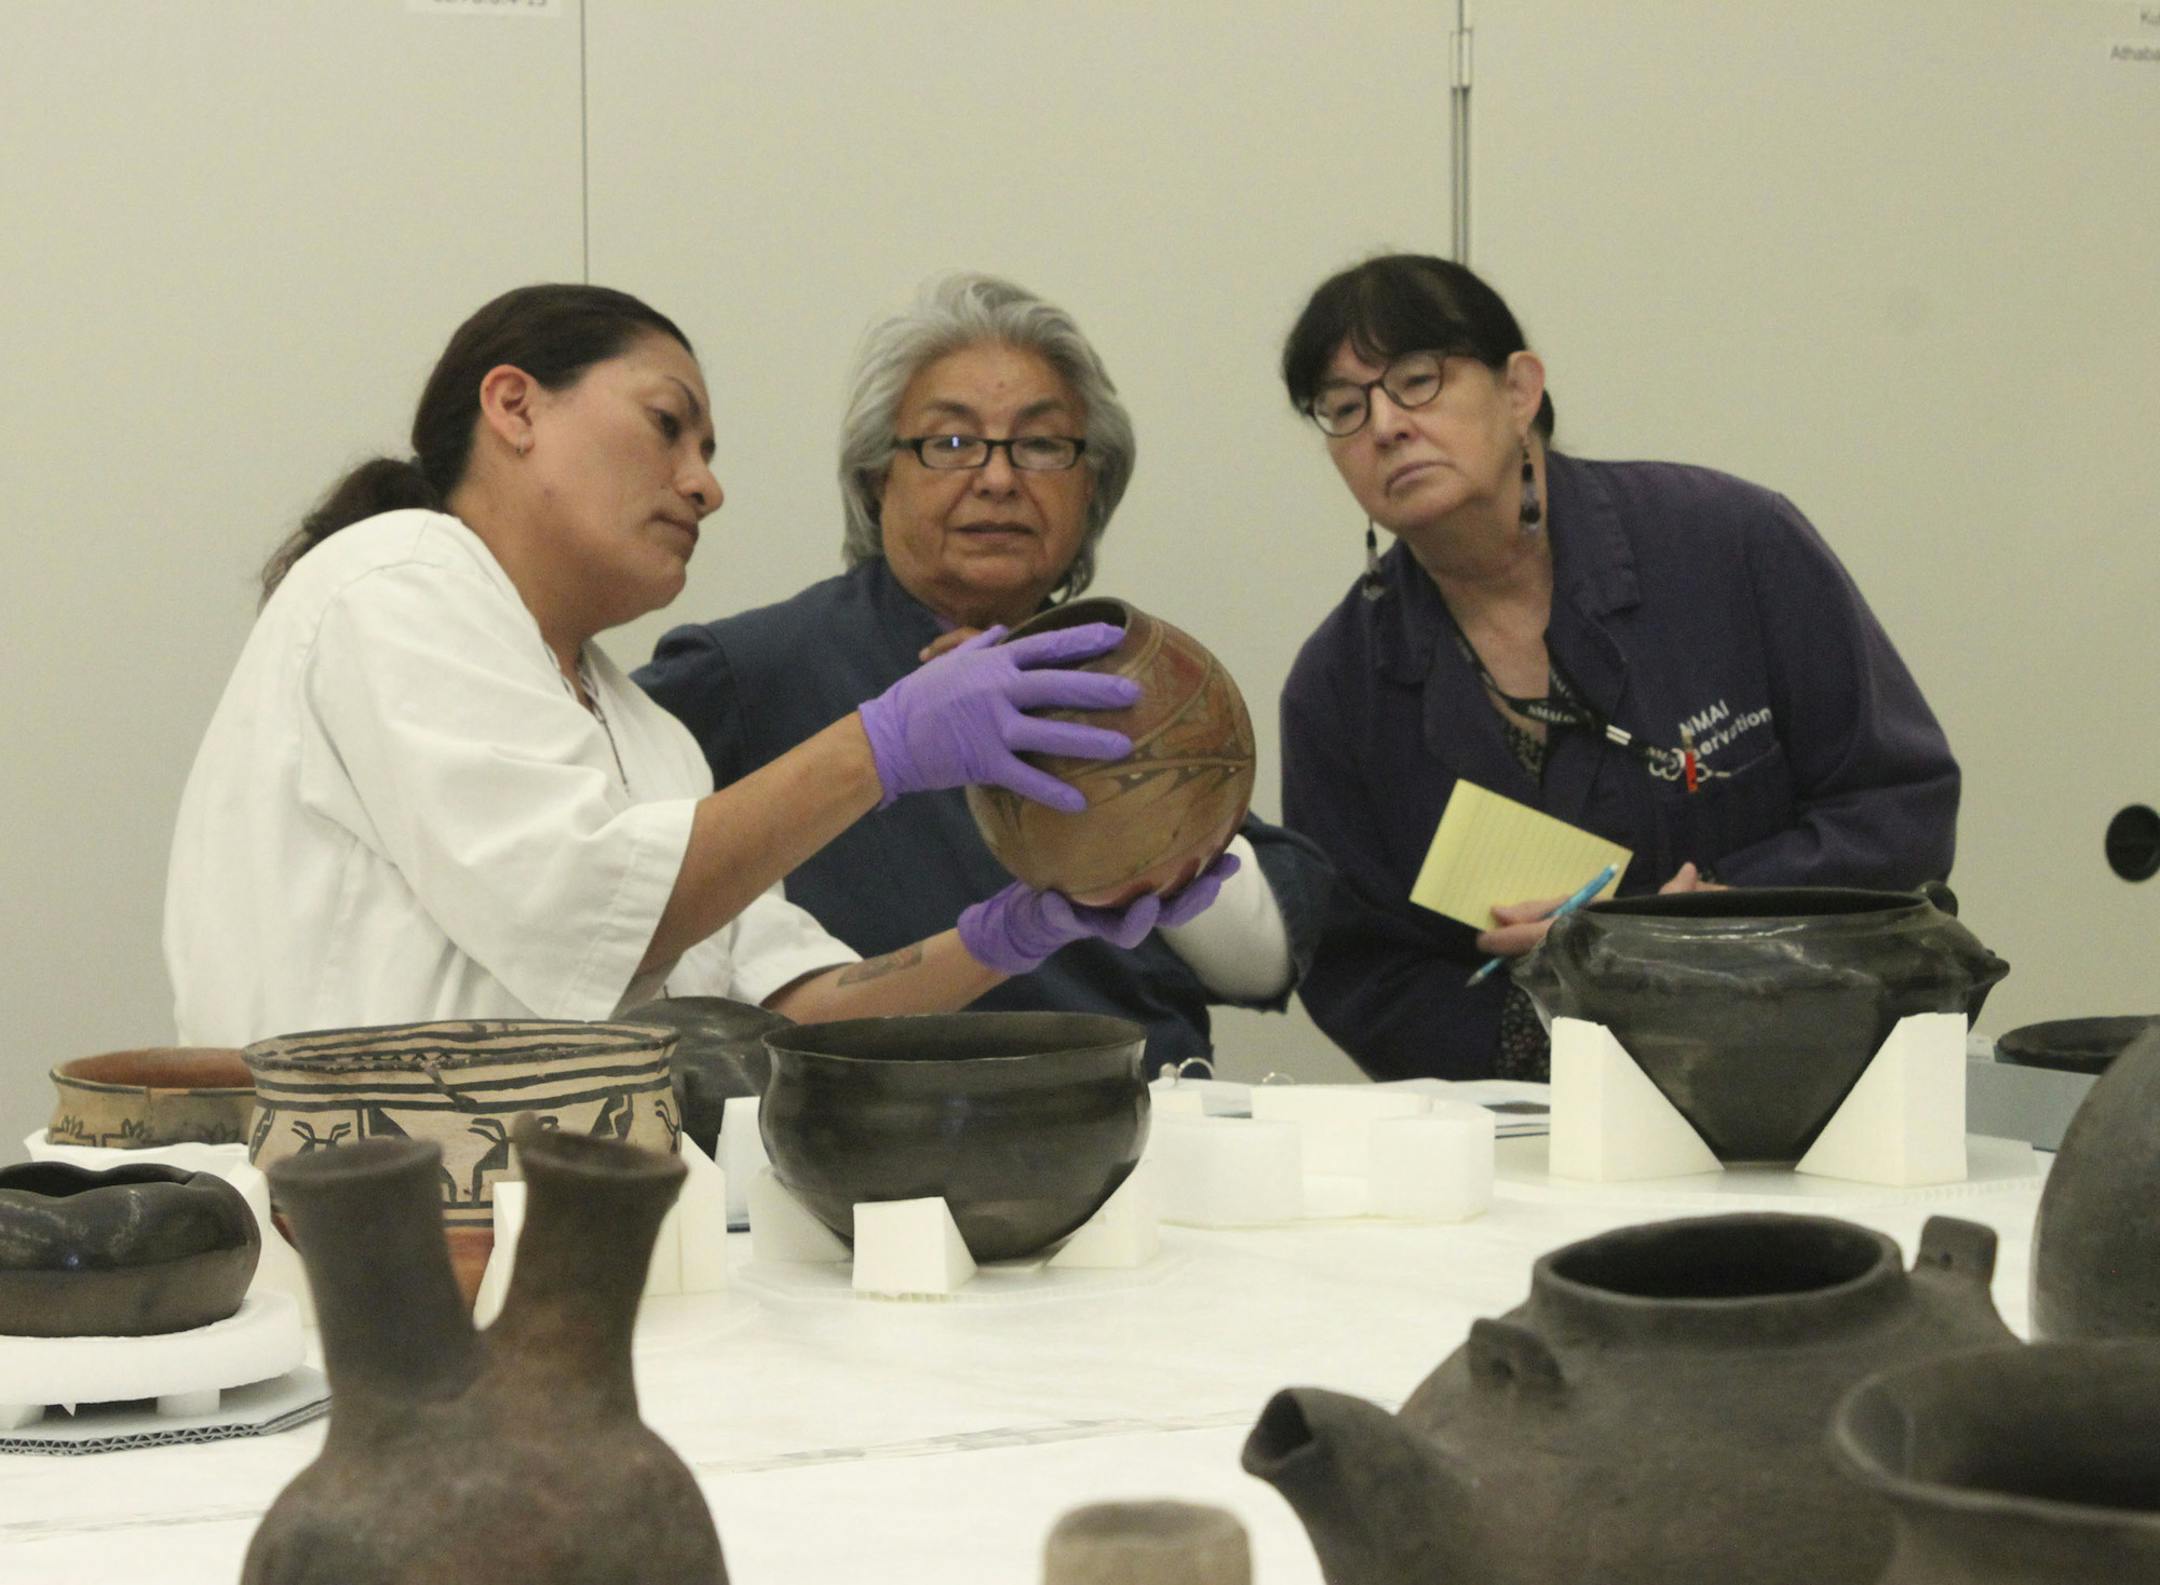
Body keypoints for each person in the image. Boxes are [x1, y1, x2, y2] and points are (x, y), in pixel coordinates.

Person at [166, 283, 1232, 1048]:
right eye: (669, 427)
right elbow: (582, 912)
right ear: (515, 406)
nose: (704, 486)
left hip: (571, 1231)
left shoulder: (646, 733)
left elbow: (784, 1012)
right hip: (359, 1233)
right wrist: (883, 743)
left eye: (711, 455)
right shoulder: (393, 579)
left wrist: (1014, 932)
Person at [1276, 254, 1959, 1082]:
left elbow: (1896, 807)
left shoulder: (1730, 543)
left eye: (1417, 380)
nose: (1384, 425)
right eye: (1344, 409)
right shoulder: (1337, 687)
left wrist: (1711, 918)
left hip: (1811, 1060)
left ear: (1520, 389)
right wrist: (1561, 1025)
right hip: (1535, 1131)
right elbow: (1361, 968)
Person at [637, 273, 1331, 1076]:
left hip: (1146, 1122)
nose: (998, 479)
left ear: (1091, 485)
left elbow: (1266, 957)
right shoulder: (747, 671)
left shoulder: (1137, 672)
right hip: (868, 1136)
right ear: (876, 478)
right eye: (952, 442)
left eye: (1041, 445)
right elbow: (614, 897)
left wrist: (1137, 802)